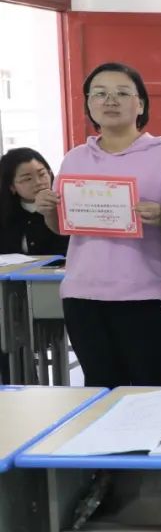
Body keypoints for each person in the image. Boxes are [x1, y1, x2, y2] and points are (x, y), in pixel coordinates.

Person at [35, 63, 161, 388]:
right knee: (99, 389)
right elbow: (63, 228)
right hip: (83, 294)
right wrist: (48, 210)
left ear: (141, 104)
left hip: (146, 294)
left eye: (122, 93)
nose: (110, 100)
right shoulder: (75, 158)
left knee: (151, 390)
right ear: (88, 104)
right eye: (99, 94)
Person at [0, 147, 69, 383]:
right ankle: (17, 385)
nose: (39, 182)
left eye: (42, 173)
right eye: (27, 179)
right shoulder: (6, 214)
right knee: (7, 331)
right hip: (12, 295)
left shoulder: (64, 207)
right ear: (12, 186)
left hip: (51, 291)